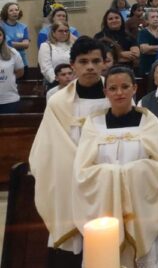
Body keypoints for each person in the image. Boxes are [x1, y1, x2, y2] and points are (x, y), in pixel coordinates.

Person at [73, 66, 158, 268]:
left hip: (143, 208)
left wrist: (125, 173)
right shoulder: (93, 124)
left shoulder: (148, 122)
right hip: (105, 208)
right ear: (105, 92)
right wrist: (116, 174)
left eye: (125, 87)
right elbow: (82, 171)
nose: (119, 93)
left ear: (134, 88)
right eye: (112, 88)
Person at [30, 36, 111, 265]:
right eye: (83, 61)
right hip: (71, 183)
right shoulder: (58, 102)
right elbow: (47, 148)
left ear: (104, 62)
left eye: (96, 61)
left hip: (108, 179)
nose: (90, 67)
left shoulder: (116, 94)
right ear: (73, 64)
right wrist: (81, 170)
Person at [38, 21, 73, 86]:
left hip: (72, 82)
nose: (64, 33)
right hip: (54, 83)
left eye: (66, 31)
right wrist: (58, 80)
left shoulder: (72, 45)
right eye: (60, 31)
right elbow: (46, 67)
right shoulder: (46, 46)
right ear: (53, 33)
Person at [0, 28, 25, 113]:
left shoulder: (13, 52)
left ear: (3, 37)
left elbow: (20, 72)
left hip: (9, 100)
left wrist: (10, 78)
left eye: (0, 35)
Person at [138, 9, 158, 76]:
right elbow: (144, 49)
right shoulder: (143, 32)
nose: (156, 19)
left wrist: (151, 48)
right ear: (147, 20)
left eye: (157, 17)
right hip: (147, 66)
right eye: (153, 17)